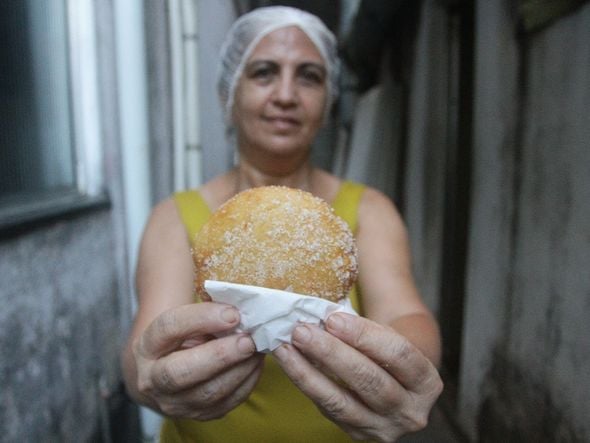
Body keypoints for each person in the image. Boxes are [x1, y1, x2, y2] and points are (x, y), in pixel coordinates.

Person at [121, 6, 443, 443]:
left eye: (309, 76)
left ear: (328, 102)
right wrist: (152, 374)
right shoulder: (175, 218)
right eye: (264, 73)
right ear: (228, 93)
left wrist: (406, 367)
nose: (286, 94)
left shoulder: (368, 211)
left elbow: (405, 314)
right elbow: (142, 353)